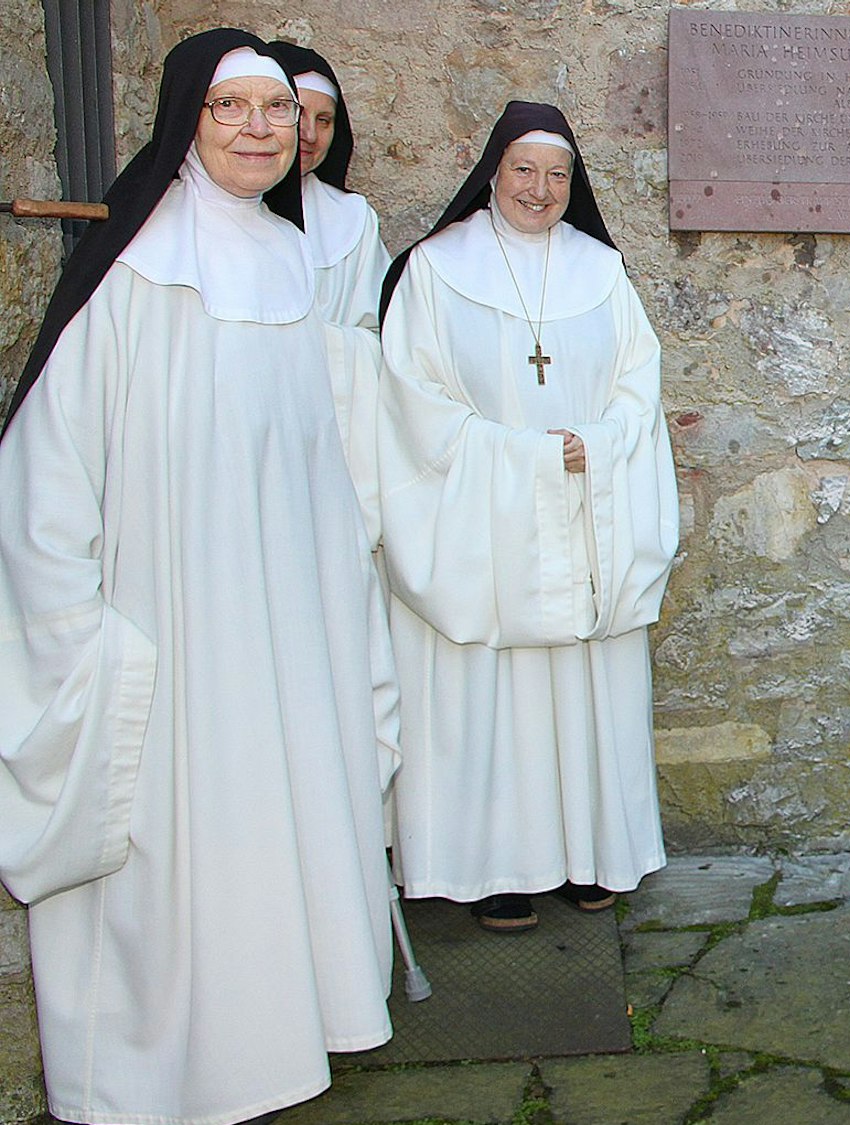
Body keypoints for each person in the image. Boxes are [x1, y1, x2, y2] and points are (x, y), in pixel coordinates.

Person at [0, 29, 397, 1124]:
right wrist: (75, 625)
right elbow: (51, 456)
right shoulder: (133, 268)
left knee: (284, 807)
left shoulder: (287, 257)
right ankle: (176, 1064)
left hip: (289, 612)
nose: (262, 129)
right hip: (167, 613)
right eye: (233, 109)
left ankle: (288, 1027)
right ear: (188, 122)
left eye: (276, 110)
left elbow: (314, 451)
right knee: (185, 833)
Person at [376, 102, 680, 933]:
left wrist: (601, 443)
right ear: (492, 172)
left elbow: (637, 386)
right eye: (524, 171)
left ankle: (590, 854)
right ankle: (494, 869)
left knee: (580, 692)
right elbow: (411, 399)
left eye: (558, 175)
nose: (541, 190)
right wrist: (514, 457)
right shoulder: (436, 270)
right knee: (491, 695)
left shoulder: (601, 270)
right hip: (484, 518)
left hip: (585, 508)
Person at [266, 41, 391, 331]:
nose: (310, 134)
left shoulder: (353, 218)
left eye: (324, 120)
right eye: (298, 113)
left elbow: (376, 332)